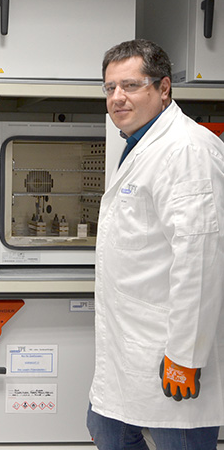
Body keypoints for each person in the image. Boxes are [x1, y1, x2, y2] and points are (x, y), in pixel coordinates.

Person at [87, 39, 224, 449]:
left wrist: (185, 355)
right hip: (128, 343)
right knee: (105, 431)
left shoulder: (186, 151)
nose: (117, 97)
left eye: (130, 85)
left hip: (168, 349)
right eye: (110, 88)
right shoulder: (139, 143)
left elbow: (200, 259)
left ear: (163, 88)